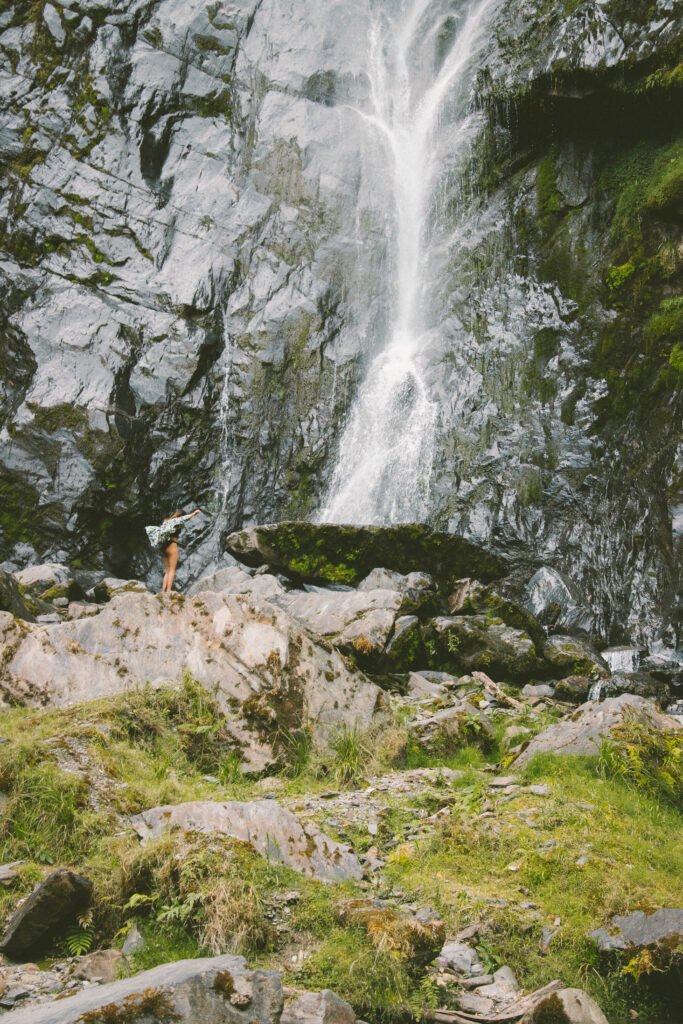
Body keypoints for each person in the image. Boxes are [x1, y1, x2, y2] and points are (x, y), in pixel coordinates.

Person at [145, 508, 202, 592]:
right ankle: (168, 591)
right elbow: (183, 519)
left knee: (167, 571)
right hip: (172, 545)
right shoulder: (177, 521)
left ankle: (163, 591)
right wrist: (194, 513)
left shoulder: (167, 522)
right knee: (172, 570)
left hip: (163, 547)